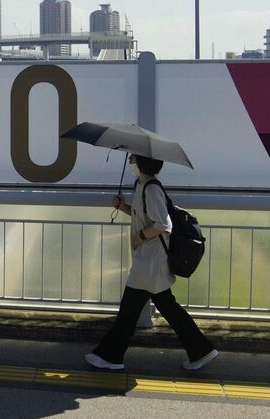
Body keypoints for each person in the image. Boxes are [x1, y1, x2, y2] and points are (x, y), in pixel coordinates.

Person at [85, 154, 219, 371]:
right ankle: (201, 350)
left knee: (129, 312)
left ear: (142, 163)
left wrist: (140, 237)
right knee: (164, 308)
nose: (131, 162)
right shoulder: (141, 185)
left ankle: (110, 356)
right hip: (148, 260)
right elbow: (143, 216)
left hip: (151, 261)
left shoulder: (151, 188)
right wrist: (123, 207)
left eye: (133, 158)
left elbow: (163, 224)